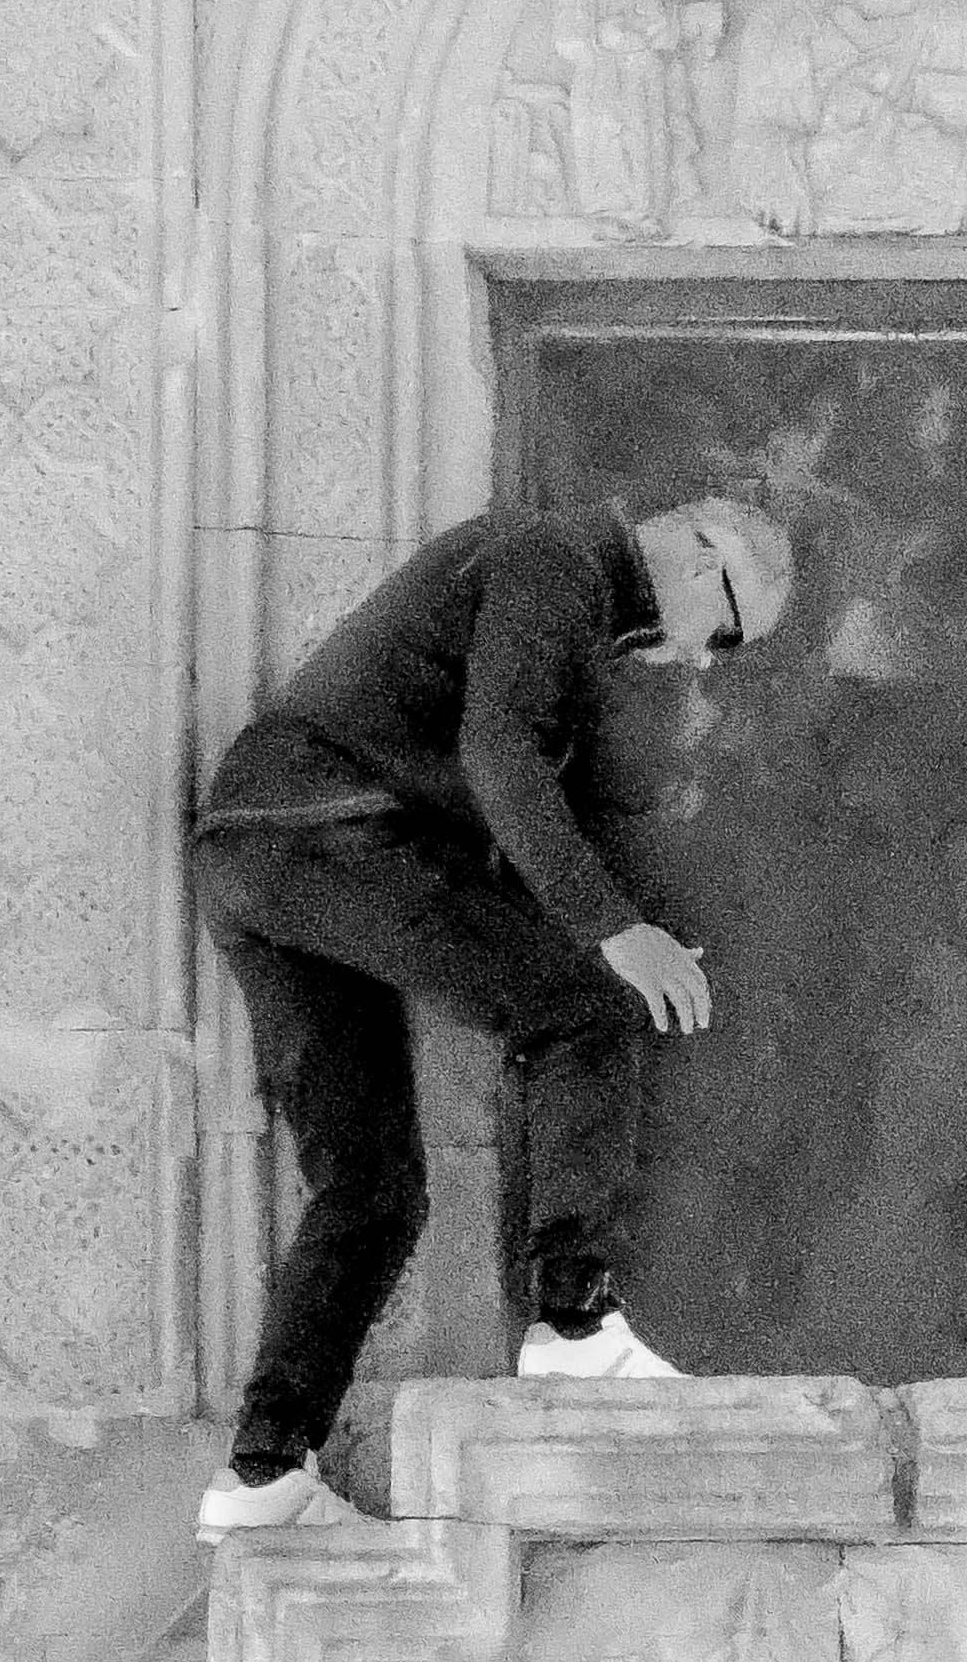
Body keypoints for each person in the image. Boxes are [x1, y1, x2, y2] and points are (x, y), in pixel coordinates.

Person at [189, 486, 797, 1538]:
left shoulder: (562, 590)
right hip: (331, 834)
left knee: (372, 1190)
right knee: (591, 1011)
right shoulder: (557, 554)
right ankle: (574, 1318)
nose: (704, 659)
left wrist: (604, 929)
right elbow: (500, 755)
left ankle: (263, 1474)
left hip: (263, 850)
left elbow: (496, 817)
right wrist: (614, 935)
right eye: (728, 635)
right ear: (704, 561)